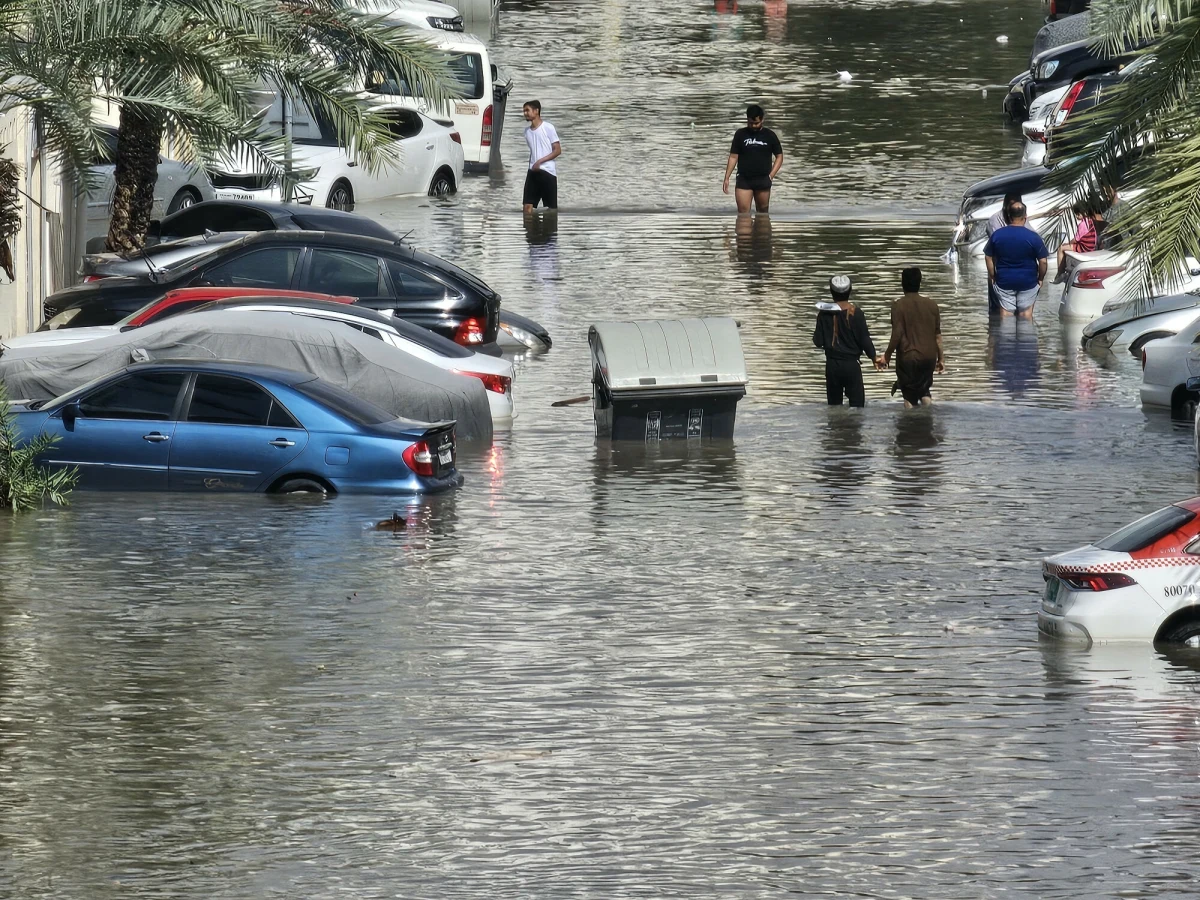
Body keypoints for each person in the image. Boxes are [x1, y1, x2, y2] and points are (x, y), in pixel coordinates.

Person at [812, 275, 883, 407]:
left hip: (832, 365)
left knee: (834, 407)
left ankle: (836, 427)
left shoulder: (824, 314)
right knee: (857, 407)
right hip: (851, 366)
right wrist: (874, 357)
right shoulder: (857, 313)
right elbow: (864, 339)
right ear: (850, 291)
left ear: (831, 292)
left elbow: (817, 341)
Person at [883, 267, 944, 408]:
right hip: (929, 357)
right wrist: (941, 359)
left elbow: (897, 334)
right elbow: (938, 337)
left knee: (909, 395)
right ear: (919, 283)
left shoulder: (898, 306)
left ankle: (909, 424)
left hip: (908, 358)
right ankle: (928, 419)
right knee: (924, 391)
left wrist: (887, 356)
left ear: (902, 283)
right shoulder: (932, 305)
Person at [984, 201, 1048, 318]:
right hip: (1028, 282)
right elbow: (1043, 261)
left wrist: (993, 275)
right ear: (1025, 216)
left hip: (1004, 281)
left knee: (1006, 314)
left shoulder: (997, 235)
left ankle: (1006, 335)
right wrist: (1040, 278)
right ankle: (1025, 335)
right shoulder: (1033, 237)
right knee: (1026, 314)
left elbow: (988, 256)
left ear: (1008, 216)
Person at [722, 104, 783, 214]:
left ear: (762, 120)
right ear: (747, 120)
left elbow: (779, 156)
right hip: (744, 179)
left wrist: (771, 175)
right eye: (751, 123)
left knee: (763, 213)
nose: (754, 126)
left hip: (763, 179)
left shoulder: (770, 135)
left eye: (756, 123)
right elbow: (733, 156)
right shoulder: (740, 134)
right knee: (743, 214)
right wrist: (727, 177)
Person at [522, 100, 561, 213]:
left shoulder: (548, 127)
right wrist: (531, 165)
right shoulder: (527, 132)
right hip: (532, 172)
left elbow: (557, 150)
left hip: (547, 172)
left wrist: (540, 161)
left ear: (536, 111)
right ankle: (530, 230)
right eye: (524, 111)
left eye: (527, 110)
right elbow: (533, 151)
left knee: (551, 209)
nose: (525, 113)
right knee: (527, 207)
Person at [1056, 199, 1099, 272]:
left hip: (1084, 247)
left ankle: (1060, 272)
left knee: (1061, 248)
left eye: (1078, 214)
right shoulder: (1089, 220)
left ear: (1085, 212)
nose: (1076, 216)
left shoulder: (1083, 224)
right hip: (1090, 246)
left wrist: (1068, 243)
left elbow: (1076, 239)